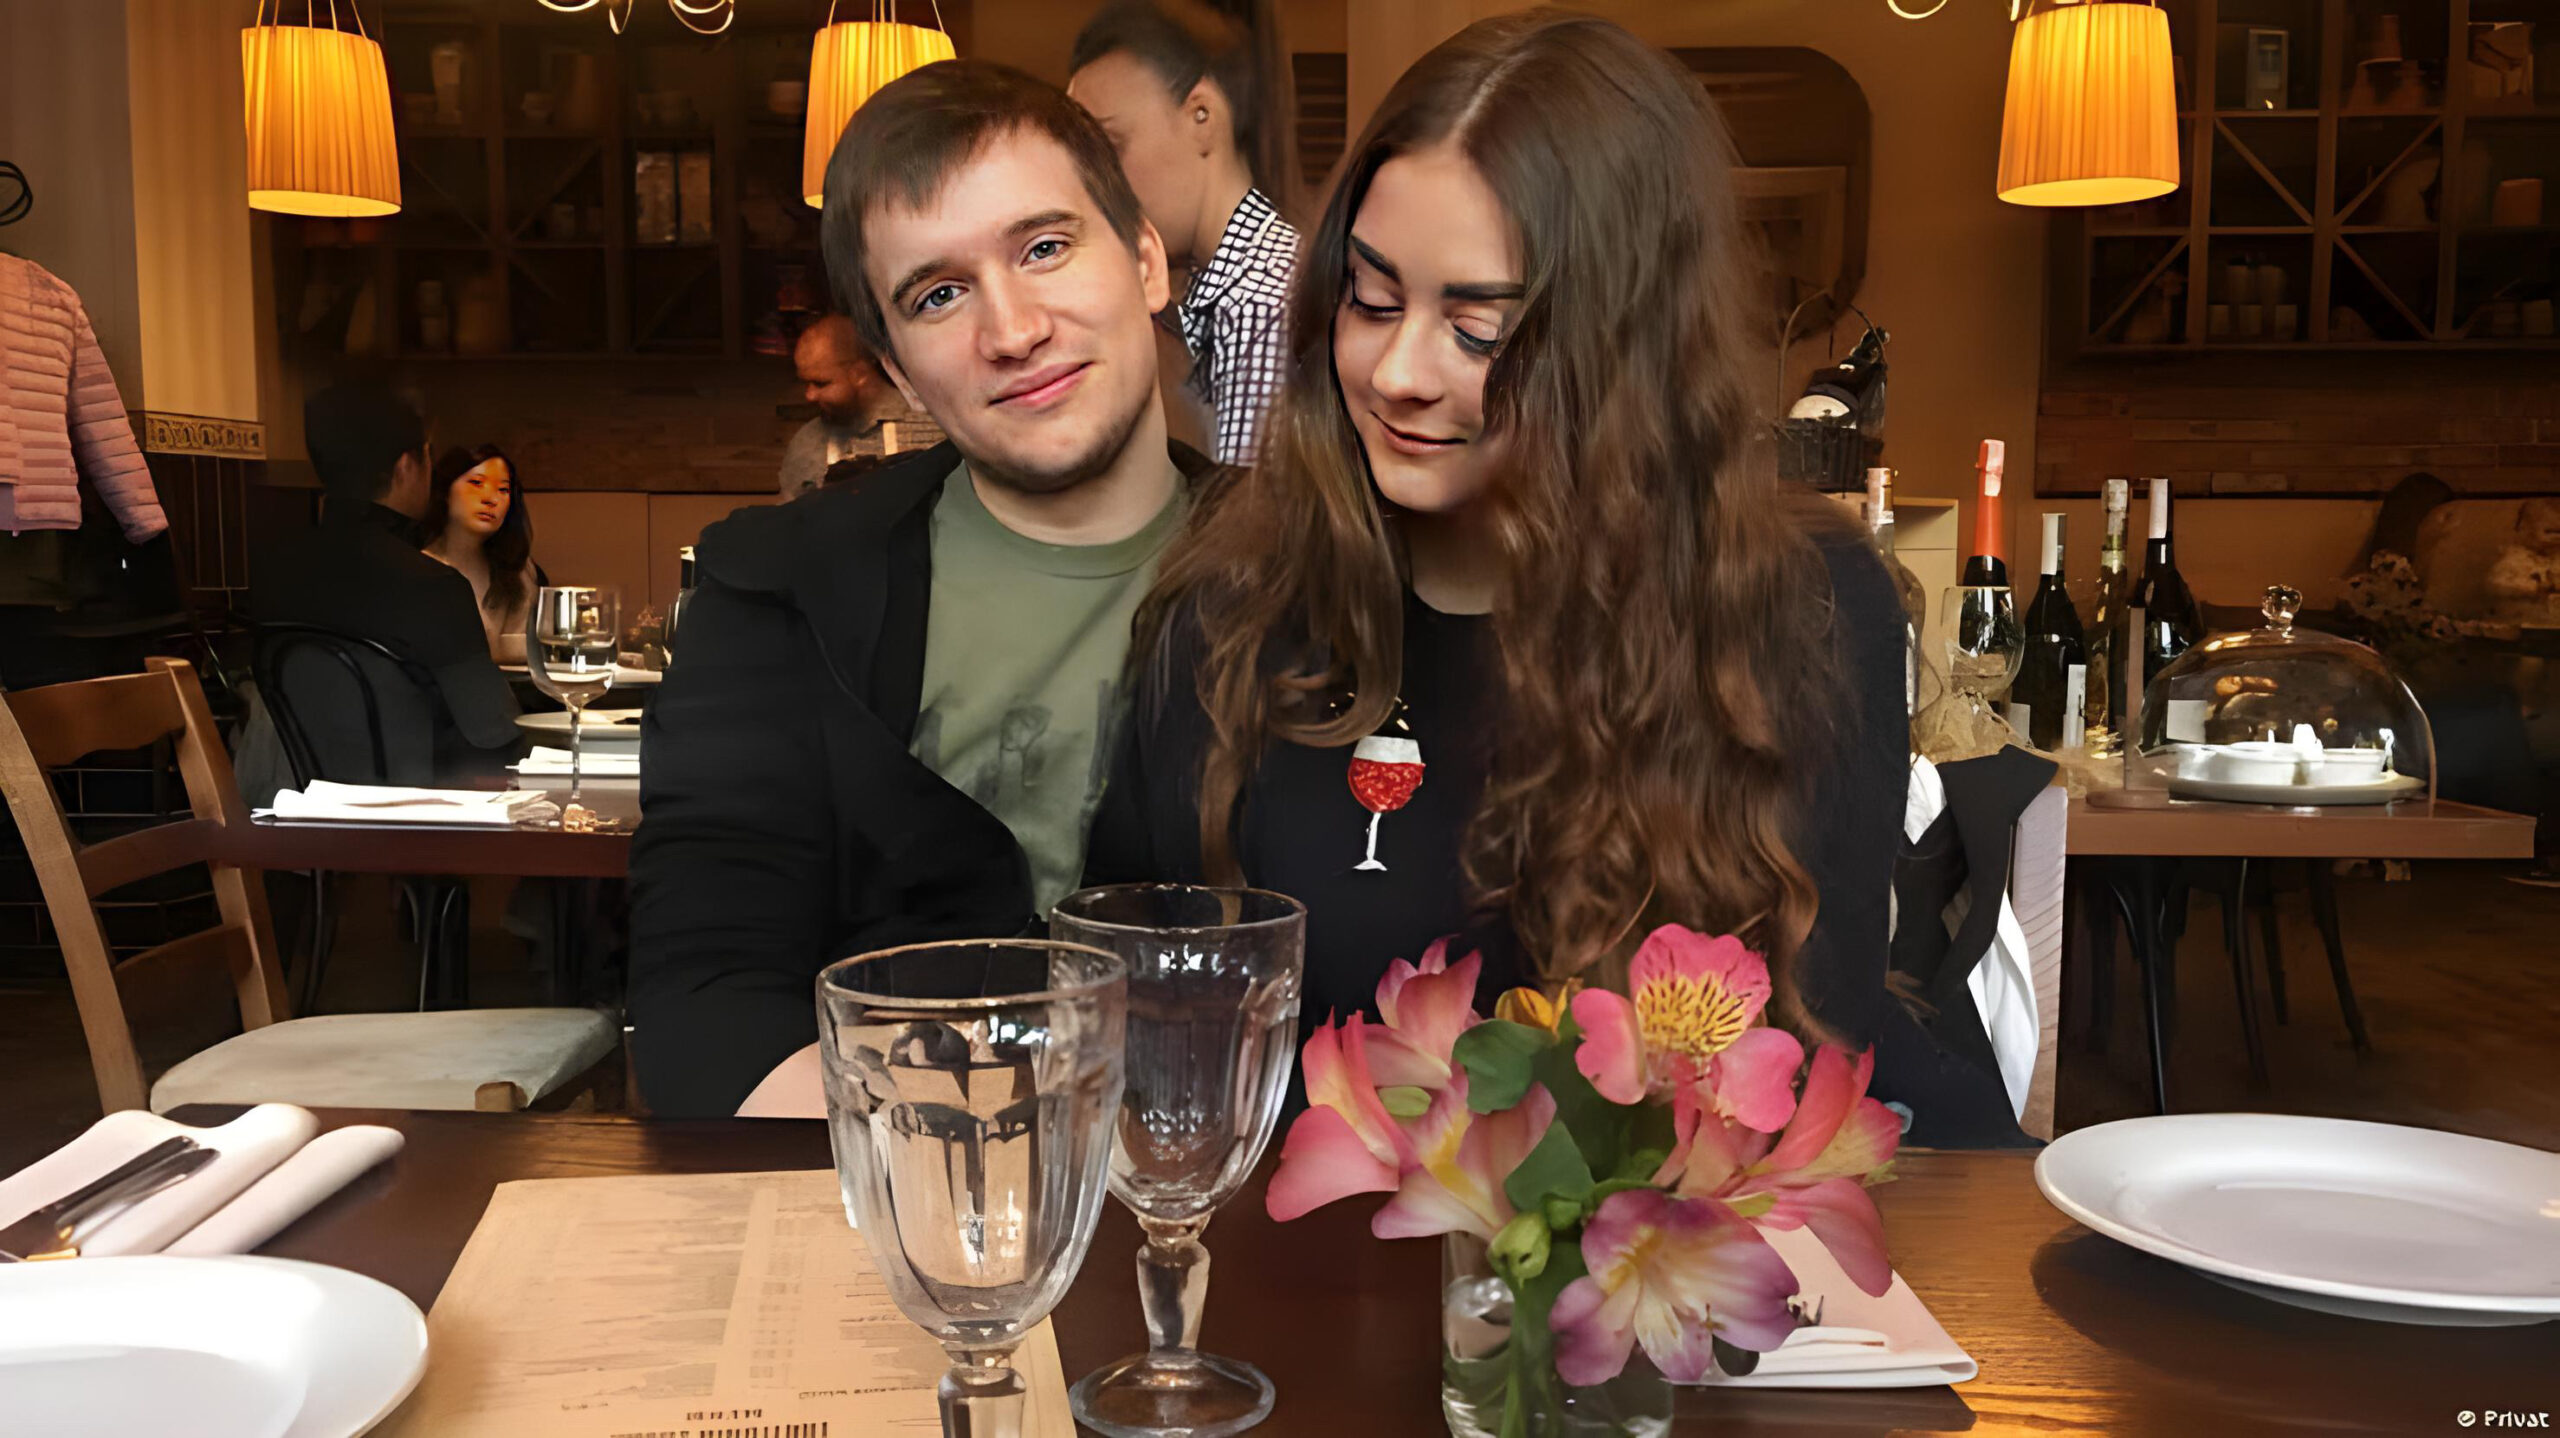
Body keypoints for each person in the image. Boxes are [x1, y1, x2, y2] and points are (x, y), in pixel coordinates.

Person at [1086, 14, 1931, 1116]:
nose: (1396, 372)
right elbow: (1126, 1029)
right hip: (1299, 1221)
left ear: (1624, 350)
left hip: (1659, 1226)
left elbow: (1807, 1063)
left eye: (1477, 330)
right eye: (1371, 299)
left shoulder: (1801, 612)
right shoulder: (1228, 609)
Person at [628, 60, 1197, 1117]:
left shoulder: (1317, 572)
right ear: (895, 368)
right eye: (939, 295)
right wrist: (1000, 1167)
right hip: (875, 1198)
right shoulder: (776, 592)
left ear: (1146, 261)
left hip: (1222, 1195)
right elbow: (704, 1025)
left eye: (1044, 247)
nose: (1013, 330)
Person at [1069, 0, 1296, 466]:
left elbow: (1243, 506)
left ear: (1201, 116)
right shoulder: (1221, 284)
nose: (1095, 187)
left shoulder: (1258, 304)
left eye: (1110, 148)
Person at [252, 384, 519, 772]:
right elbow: (494, 733)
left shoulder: (273, 572)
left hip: (292, 801)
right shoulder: (434, 586)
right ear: (406, 466)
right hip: (419, 803)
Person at [421, 444, 541, 662]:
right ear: (446, 492)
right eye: (477, 483)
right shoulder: (420, 568)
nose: (490, 499)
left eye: (503, 490)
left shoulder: (518, 569)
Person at [778, 315, 911, 500]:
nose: (810, 395)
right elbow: (790, 513)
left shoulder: (930, 426)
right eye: (806, 383)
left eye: (821, 383)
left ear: (859, 374)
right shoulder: (807, 441)